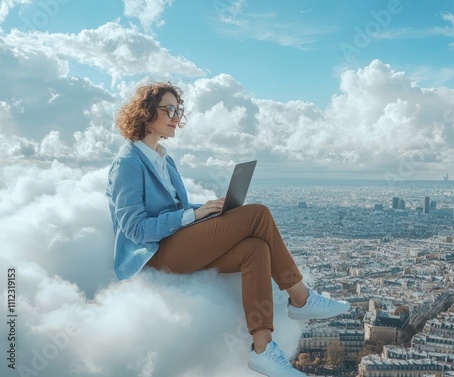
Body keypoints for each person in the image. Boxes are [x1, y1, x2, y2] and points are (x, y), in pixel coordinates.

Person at [106, 82, 350, 377]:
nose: (176, 117)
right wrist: (195, 215)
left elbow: (173, 206)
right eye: (168, 109)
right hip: (153, 255)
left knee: (254, 249)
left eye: (178, 110)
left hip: (176, 242)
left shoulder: (163, 158)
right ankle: (300, 297)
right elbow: (134, 229)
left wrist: (209, 209)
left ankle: (262, 348)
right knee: (258, 214)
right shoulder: (128, 164)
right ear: (145, 114)